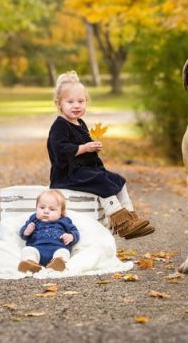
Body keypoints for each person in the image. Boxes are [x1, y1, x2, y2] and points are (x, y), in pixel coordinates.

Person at [46, 71, 155, 239]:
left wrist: (93, 147)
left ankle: (132, 217)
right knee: (101, 182)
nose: (76, 105)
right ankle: (123, 224)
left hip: (84, 170)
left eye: (81, 101)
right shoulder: (60, 125)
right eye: (70, 102)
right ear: (58, 103)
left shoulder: (80, 123)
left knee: (118, 180)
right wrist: (84, 147)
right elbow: (60, 150)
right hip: (67, 174)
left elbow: (85, 148)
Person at [18, 190, 80, 273]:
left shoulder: (64, 221)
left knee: (64, 252)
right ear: (36, 208)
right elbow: (23, 234)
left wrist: (71, 236)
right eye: (42, 207)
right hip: (37, 249)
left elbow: (75, 231)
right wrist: (27, 231)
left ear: (61, 212)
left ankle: (58, 263)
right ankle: (31, 263)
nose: (46, 211)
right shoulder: (34, 219)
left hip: (57, 249)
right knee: (27, 250)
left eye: (52, 209)